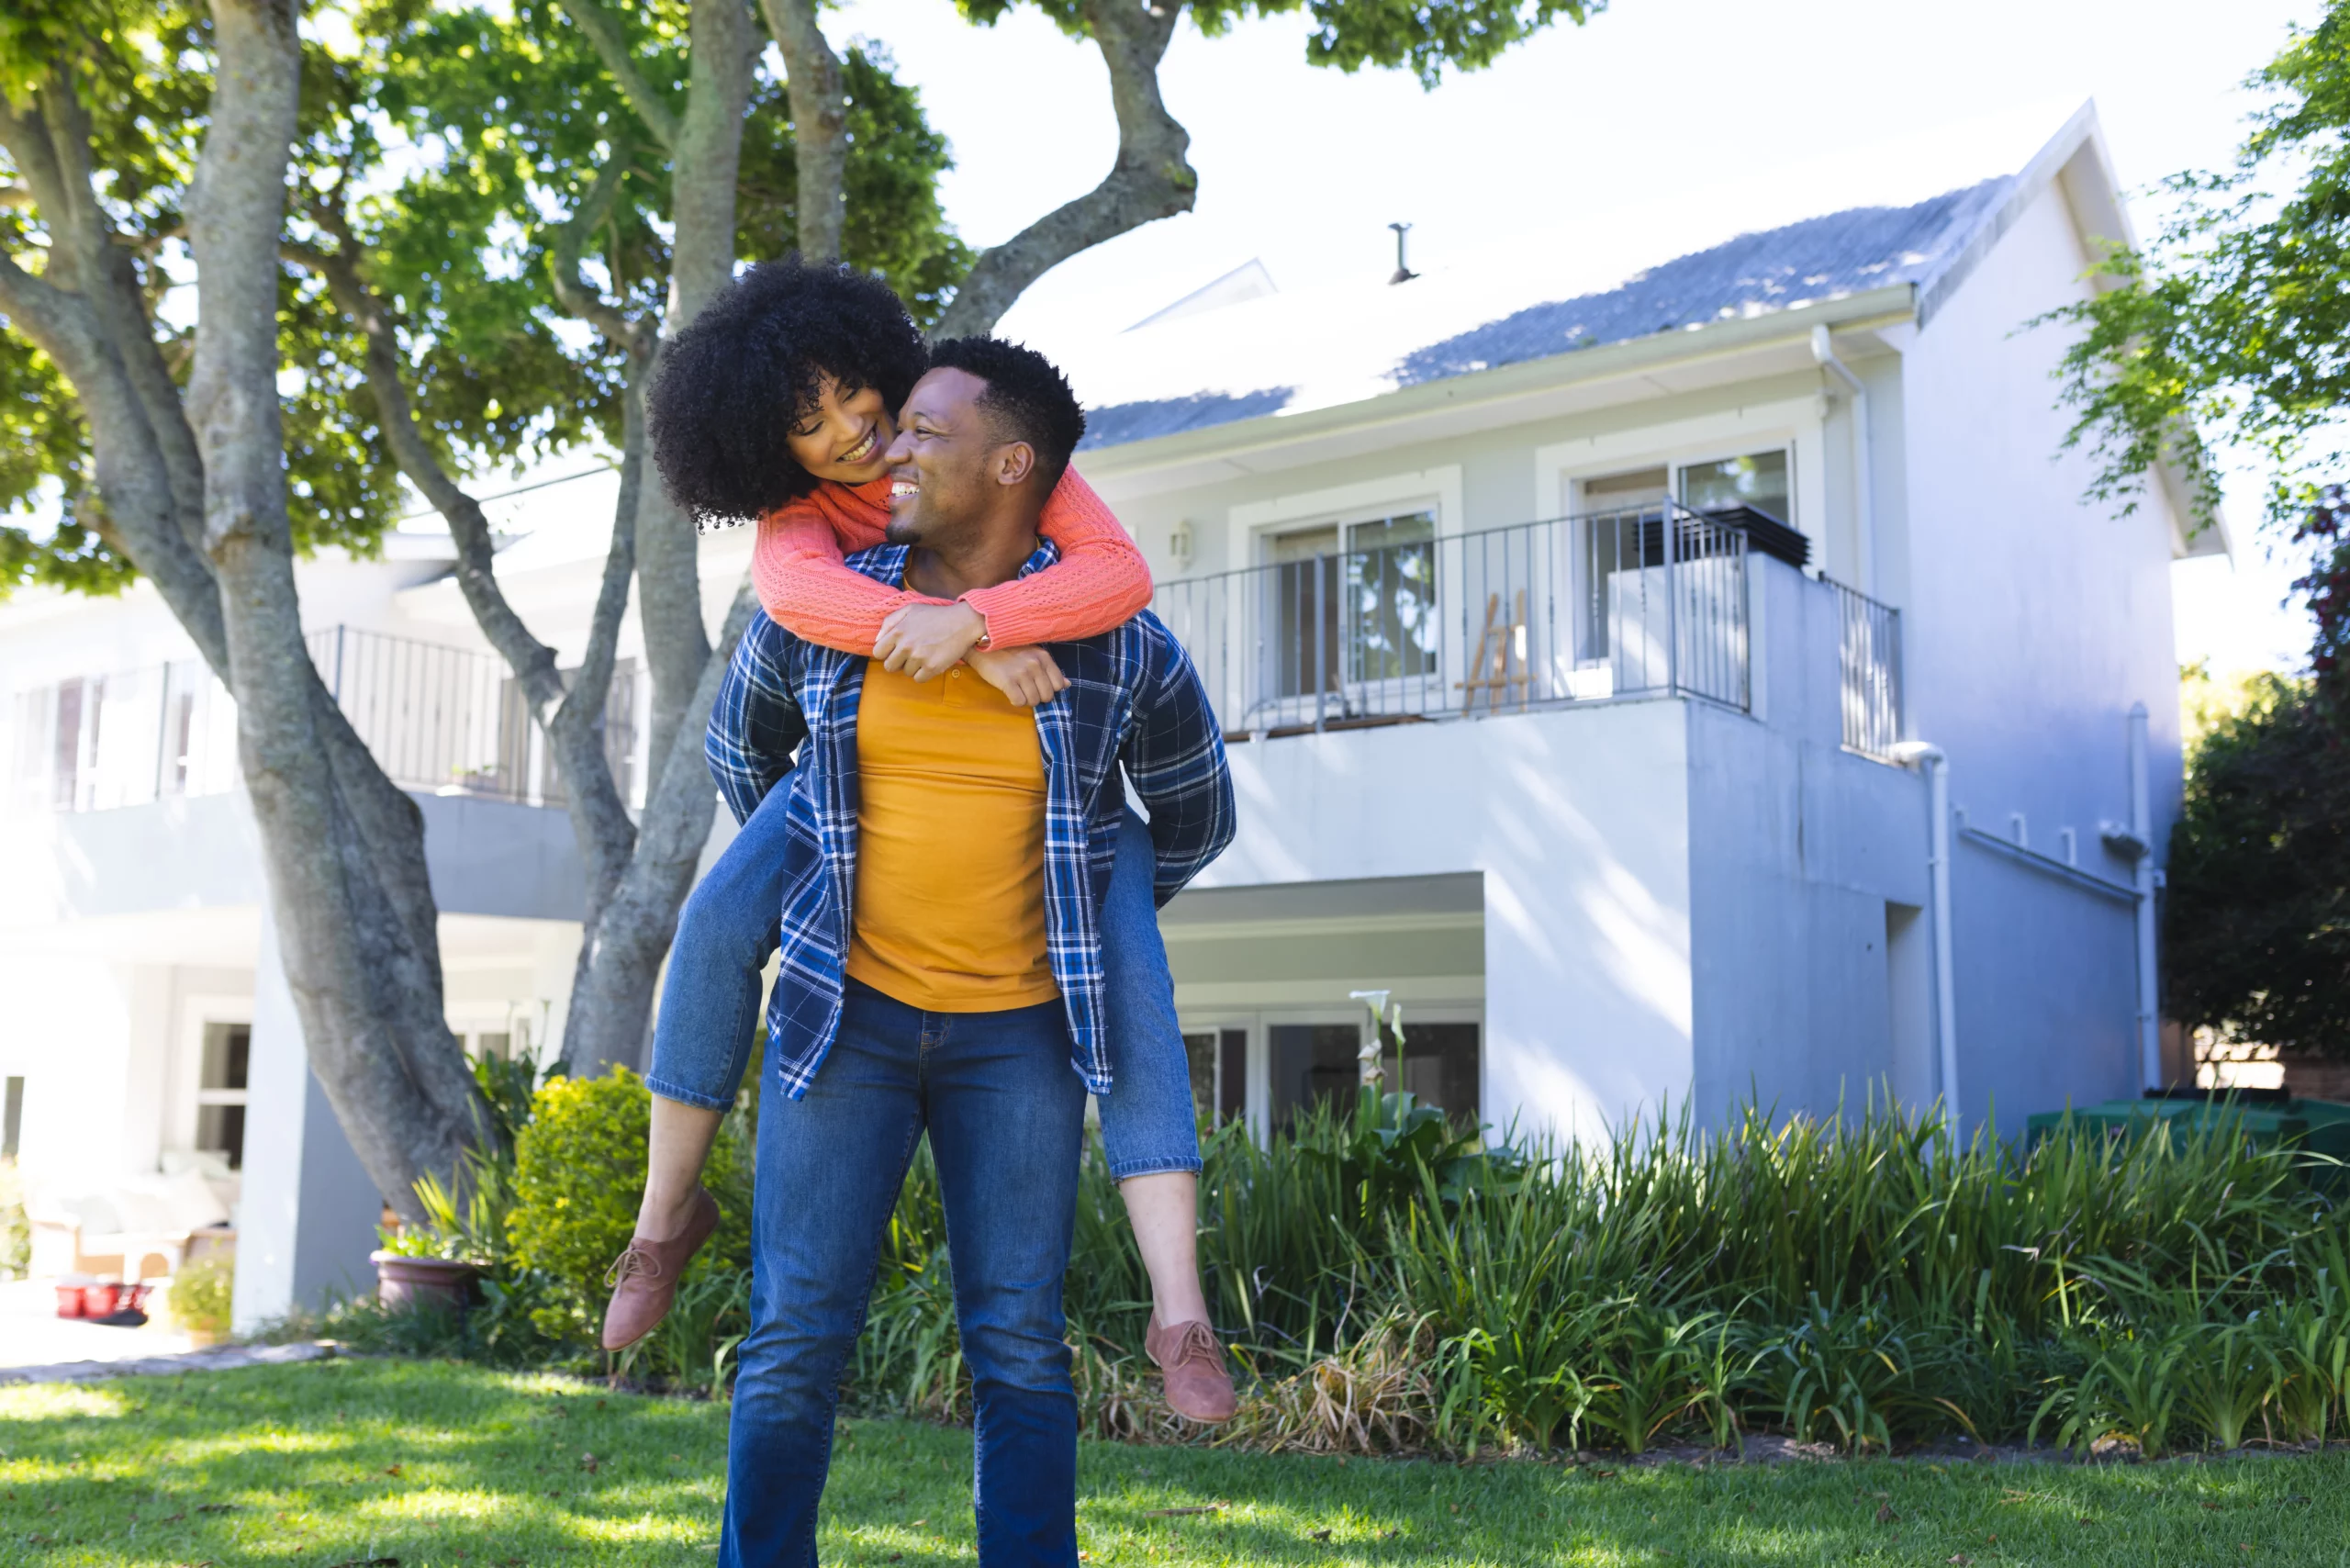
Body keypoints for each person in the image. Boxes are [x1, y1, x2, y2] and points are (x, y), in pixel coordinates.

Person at [600, 261, 1237, 1423]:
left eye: (857, 397)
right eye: (810, 424)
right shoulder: (799, 529)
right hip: (839, 797)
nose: (856, 434)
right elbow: (775, 677)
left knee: (1134, 973)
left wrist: (982, 620)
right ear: (766, 449)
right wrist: (862, 813)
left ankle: (1180, 1305)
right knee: (711, 920)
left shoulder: (1010, 486)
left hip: (1054, 869)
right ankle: (661, 1220)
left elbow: (1120, 578)